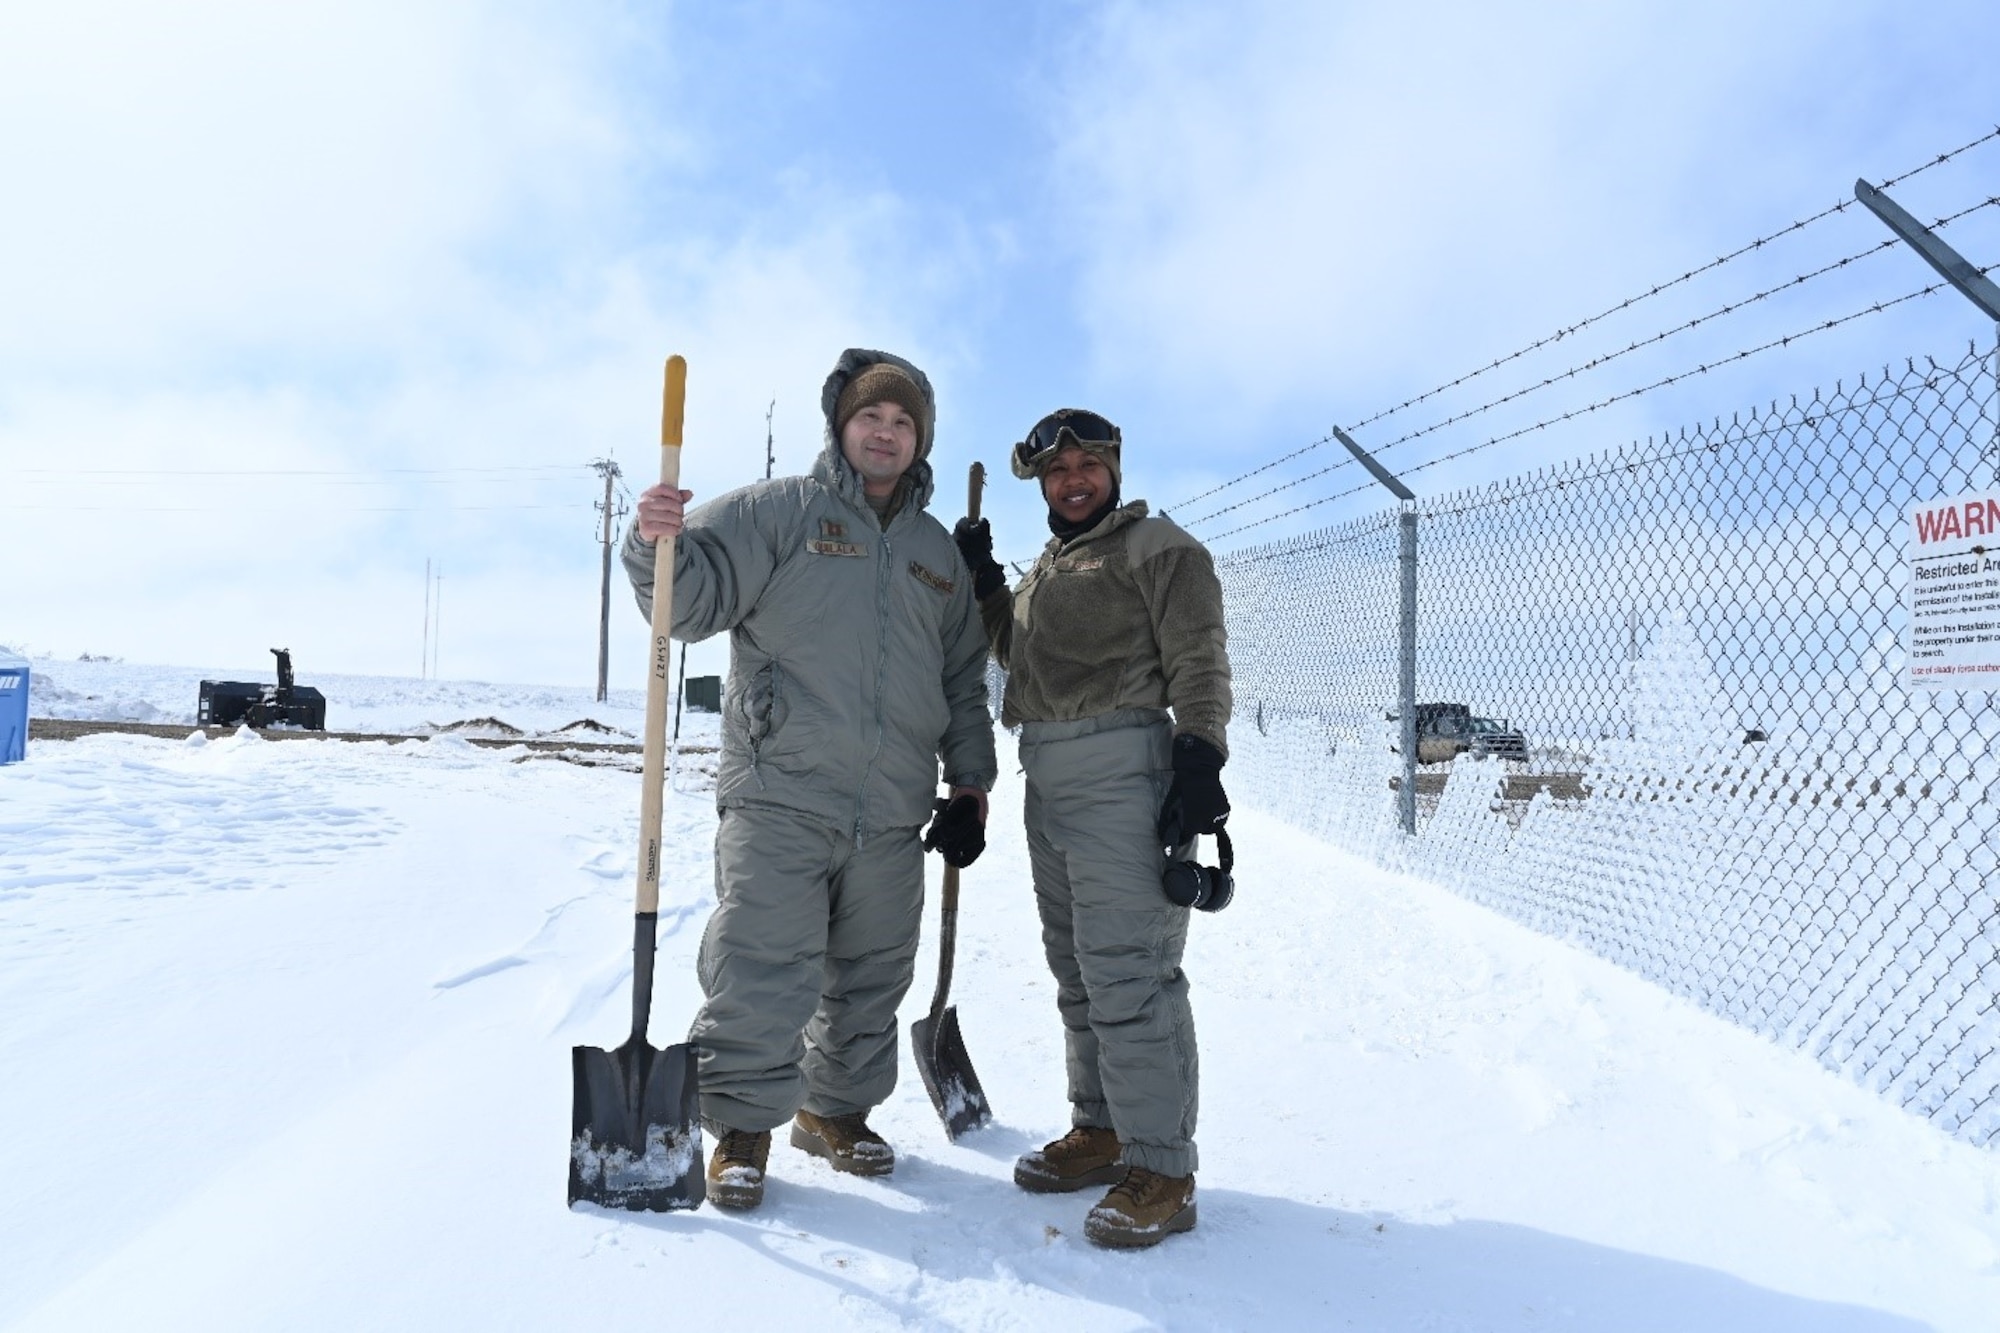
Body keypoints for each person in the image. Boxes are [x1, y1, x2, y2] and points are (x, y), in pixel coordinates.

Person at [624, 348, 996, 1211]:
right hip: (781, 788)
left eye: (903, 422)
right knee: (764, 960)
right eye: (873, 416)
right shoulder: (778, 512)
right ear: (842, 424)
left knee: (871, 972)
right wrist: (649, 540)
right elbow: (691, 597)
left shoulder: (938, 558)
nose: (886, 432)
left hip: (894, 806)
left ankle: (833, 1112)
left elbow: (961, 681)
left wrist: (970, 784)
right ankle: (743, 1128)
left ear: (920, 441)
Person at [953, 407, 1232, 1250]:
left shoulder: (1158, 548)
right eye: (1056, 470)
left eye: (1087, 465)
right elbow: (1023, 658)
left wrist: (1199, 758)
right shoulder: (1054, 563)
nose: (1073, 480)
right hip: (1050, 774)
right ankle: (1103, 1131)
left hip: (1123, 771)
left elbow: (1200, 658)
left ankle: (1164, 1167)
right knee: (1077, 969)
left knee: (1129, 973)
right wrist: (988, 585)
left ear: (1114, 466)